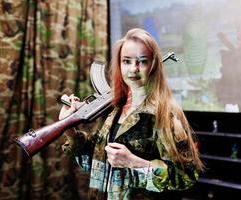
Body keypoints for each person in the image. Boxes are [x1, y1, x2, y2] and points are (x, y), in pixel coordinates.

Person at [59, 28, 203, 200]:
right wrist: (68, 128)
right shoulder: (115, 109)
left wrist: (134, 163)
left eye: (142, 61)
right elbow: (96, 163)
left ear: (153, 65)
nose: (133, 69)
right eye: (126, 61)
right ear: (119, 65)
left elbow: (185, 176)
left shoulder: (165, 113)